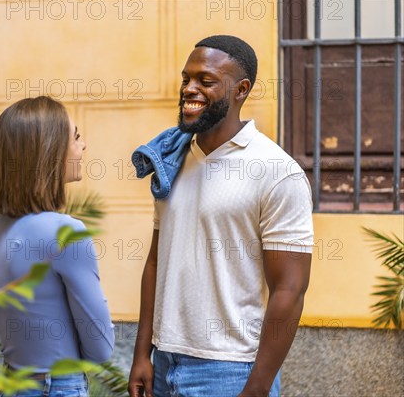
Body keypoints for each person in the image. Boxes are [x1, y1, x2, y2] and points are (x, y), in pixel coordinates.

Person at [128, 35, 314, 397]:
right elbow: (155, 262)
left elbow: (290, 289)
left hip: (230, 372)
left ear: (241, 89)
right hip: (165, 363)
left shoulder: (277, 171)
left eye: (206, 81)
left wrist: (257, 387)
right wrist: (142, 354)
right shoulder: (171, 161)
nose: (190, 89)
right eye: (186, 79)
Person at [0, 96, 115, 397]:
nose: (83, 146)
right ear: (49, 151)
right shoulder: (64, 232)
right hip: (56, 387)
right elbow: (101, 347)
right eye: (76, 136)